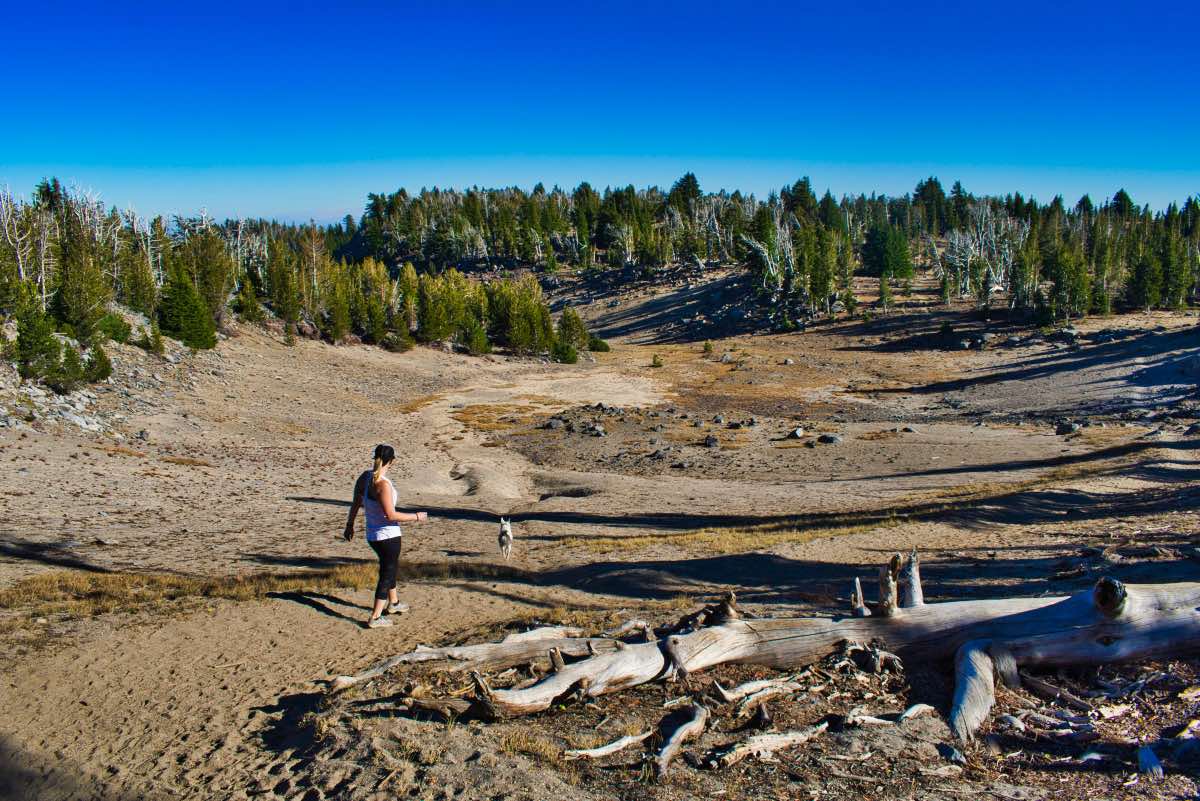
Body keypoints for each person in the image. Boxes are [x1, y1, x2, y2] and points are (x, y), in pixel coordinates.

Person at [343, 444, 428, 628]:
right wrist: (416, 517)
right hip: (388, 536)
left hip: (372, 535)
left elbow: (356, 502)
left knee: (390, 567)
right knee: (387, 572)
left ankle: (394, 603)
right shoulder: (382, 484)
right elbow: (391, 515)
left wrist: (349, 524)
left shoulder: (365, 478)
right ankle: (375, 617)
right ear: (392, 461)